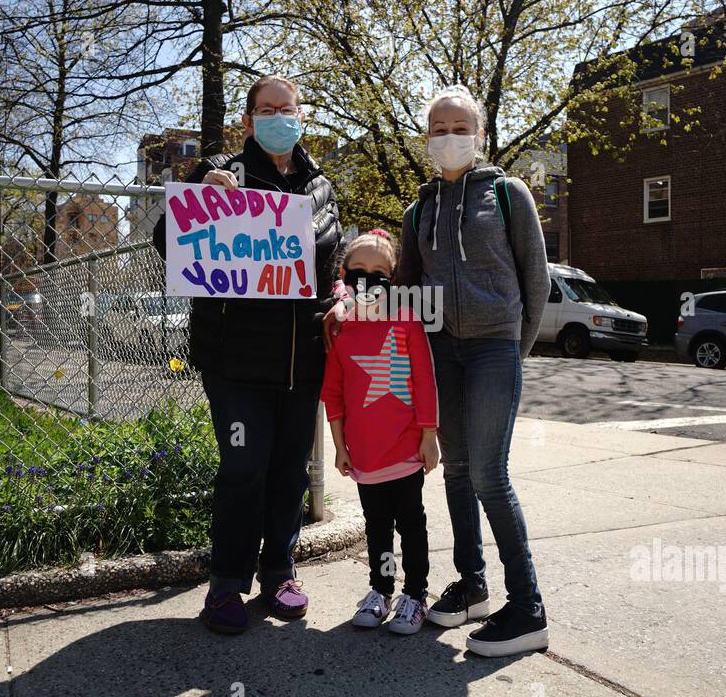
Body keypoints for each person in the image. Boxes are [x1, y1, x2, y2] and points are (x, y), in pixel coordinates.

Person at [363, 84, 552, 658]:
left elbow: (536, 281)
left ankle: (528, 610)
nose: (449, 138)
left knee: (491, 474)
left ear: (480, 134)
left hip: (495, 347)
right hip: (441, 352)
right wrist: (353, 305)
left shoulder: (510, 194)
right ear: (427, 140)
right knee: (456, 471)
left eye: (459, 127)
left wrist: (510, 352)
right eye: (438, 129)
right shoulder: (418, 209)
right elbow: (407, 290)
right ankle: (472, 585)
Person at [154, 75, 342, 635]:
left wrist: (343, 300)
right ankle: (226, 583)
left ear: (302, 115)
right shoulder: (222, 173)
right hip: (236, 362)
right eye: (265, 109)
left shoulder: (321, 186)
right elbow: (168, 241)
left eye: (287, 108)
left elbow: (328, 268)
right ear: (248, 120)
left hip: (301, 361)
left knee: (289, 472)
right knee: (243, 469)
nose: (277, 117)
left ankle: (280, 572)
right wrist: (203, 194)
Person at [320, 229, 440, 635]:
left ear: (392, 278)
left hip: (405, 448)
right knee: (377, 527)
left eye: (379, 272)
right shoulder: (341, 327)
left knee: (411, 523)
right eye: (359, 271)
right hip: (365, 452)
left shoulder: (406, 319)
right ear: (345, 274)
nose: (369, 279)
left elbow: (424, 380)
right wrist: (339, 446)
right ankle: (380, 589)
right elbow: (333, 393)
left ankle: (416, 594)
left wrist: (428, 435)